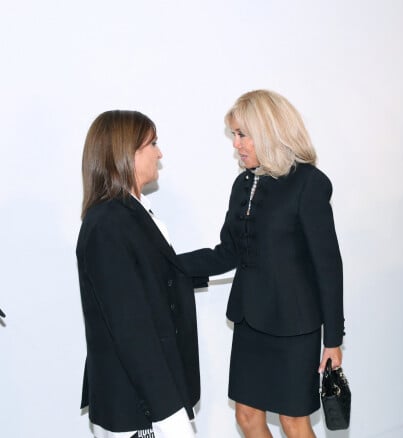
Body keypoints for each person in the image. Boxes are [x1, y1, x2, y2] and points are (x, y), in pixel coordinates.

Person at [180, 90, 345, 438]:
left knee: (293, 421)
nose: (236, 145)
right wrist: (168, 264)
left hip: (294, 326)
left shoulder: (308, 183)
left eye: (242, 135)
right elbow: (227, 252)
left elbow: (328, 266)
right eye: (234, 135)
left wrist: (333, 340)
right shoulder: (243, 184)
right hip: (251, 319)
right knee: (247, 417)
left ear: (269, 132)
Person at [77, 110, 205, 438]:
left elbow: (159, 280)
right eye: (153, 144)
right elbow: (131, 330)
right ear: (127, 154)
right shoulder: (108, 225)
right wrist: (170, 416)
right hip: (139, 409)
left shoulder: (133, 212)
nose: (159, 153)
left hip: (151, 402)